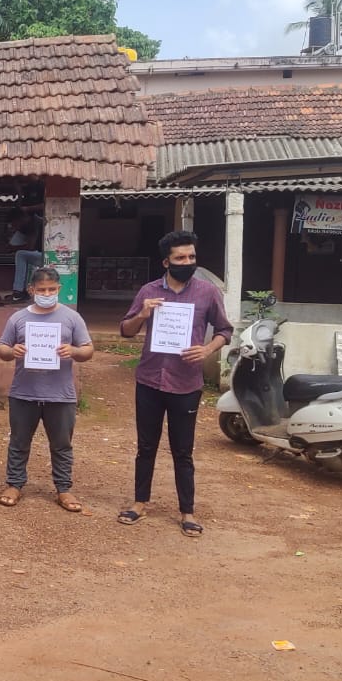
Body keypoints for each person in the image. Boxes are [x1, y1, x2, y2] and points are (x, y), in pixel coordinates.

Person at [118, 230, 233, 537]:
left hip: (186, 384)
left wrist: (207, 350)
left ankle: (187, 512)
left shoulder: (208, 292)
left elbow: (225, 331)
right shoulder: (149, 291)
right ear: (166, 262)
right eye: (180, 258)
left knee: (183, 451)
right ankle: (139, 503)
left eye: (191, 256)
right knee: (146, 447)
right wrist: (142, 314)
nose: (187, 262)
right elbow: (126, 330)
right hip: (150, 380)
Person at [0, 267, 94, 510]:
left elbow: (88, 350)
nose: (47, 294)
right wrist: (12, 351)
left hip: (60, 395)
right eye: (42, 290)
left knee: (62, 444)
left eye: (51, 289)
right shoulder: (18, 318)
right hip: (24, 392)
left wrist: (73, 351)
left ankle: (64, 489)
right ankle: (14, 484)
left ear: (59, 288)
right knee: (19, 442)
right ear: (32, 290)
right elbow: (2, 348)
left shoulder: (72, 318)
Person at [8, 207, 45, 303]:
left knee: (21, 254)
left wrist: (13, 248)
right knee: (24, 258)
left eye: (15, 223)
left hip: (50, 256)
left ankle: (18, 293)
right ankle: (24, 292)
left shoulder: (35, 223)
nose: (15, 226)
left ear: (21, 218)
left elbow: (30, 246)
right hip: (42, 255)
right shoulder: (27, 225)